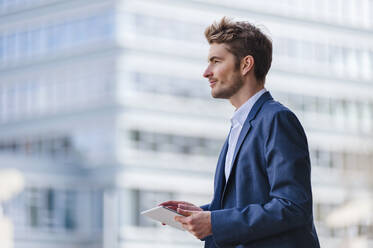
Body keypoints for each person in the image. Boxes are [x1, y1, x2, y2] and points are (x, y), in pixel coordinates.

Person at [161, 17, 320, 248]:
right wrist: (202, 215)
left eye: (216, 61)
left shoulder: (276, 119)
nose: (206, 72)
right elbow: (244, 204)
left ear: (246, 65)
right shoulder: (239, 125)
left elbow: (293, 206)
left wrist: (215, 222)